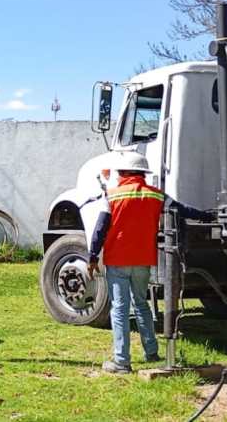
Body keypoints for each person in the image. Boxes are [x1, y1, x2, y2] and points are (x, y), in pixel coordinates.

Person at [87, 151, 209, 374]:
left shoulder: (111, 196)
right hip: (143, 260)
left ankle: (121, 361)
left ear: (122, 172)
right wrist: (207, 216)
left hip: (118, 261)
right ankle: (151, 351)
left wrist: (93, 257)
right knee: (141, 303)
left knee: (120, 308)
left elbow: (99, 230)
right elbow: (182, 210)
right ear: (143, 173)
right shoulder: (156, 195)